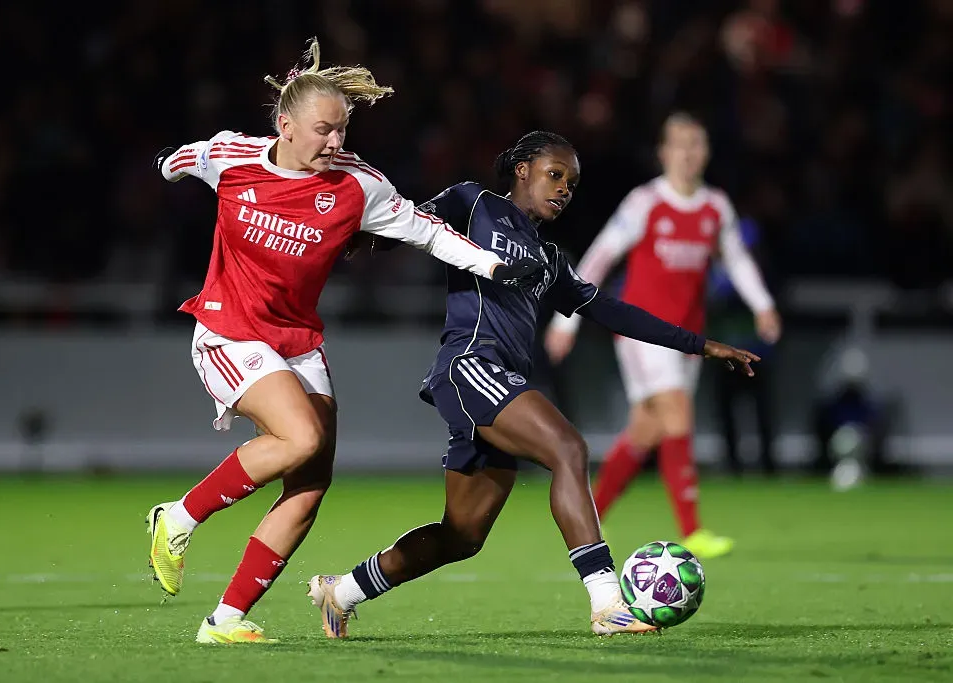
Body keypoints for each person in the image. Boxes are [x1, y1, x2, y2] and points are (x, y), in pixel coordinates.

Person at [144, 38, 545, 645]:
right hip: (228, 329)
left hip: (298, 341)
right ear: (285, 125)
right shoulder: (233, 158)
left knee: (309, 485)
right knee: (298, 436)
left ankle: (224, 620)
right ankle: (177, 516)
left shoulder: (359, 186)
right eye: (323, 131)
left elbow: (427, 231)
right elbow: (175, 162)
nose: (336, 142)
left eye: (342, 131)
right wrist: (175, 164)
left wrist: (492, 266)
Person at [306, 131, 760, 639]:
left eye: (572, 182)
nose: (565, 188)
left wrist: (700, 344)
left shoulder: (550, 258)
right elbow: (402, 221)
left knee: (462, 535)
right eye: (555, 174)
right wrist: (346, 233)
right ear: (522, 169)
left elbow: (611, 310)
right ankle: (608, 603)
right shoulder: (472, 202)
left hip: (500, 382)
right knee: (568, 447)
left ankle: (339, 592)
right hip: (469, 365)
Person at [544, 112, 782, 560]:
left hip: (689, 337)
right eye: (681, 145)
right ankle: (693, 531)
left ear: (706, 153)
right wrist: (566, 320)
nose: (689, 154)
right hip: (642, 332)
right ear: (664, 152)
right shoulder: (645, 202)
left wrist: (762, 304)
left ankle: (590, 515)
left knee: (648, 429)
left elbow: (736, 260)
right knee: (677, 410)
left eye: (697, 145)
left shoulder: (716, 206)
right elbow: (599, 257)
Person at [706, 214, 778, 475]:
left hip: (756, 351)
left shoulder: (751, 274)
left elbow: (730, 297)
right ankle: (733, 465)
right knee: (727, 411)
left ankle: (768, 466)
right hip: (723, 353)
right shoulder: (711, 271)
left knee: (762, 411)